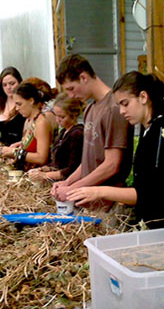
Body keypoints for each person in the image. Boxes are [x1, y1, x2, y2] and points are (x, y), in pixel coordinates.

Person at [67, 71, 164, 228]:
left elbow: (151, 193)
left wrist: (99, 191)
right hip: (152, 221)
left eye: (125, 104)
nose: (122, 111)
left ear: (143, 97)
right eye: (119, 106)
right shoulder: (148, 129)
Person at [51, 54, 133, 211]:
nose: (70, 96)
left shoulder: (113, 108)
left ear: (84, 77)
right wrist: (67, 183)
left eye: (71, 89)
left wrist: (73, 189)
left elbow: (112, 164)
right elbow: (88, 161)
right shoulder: (91, 108)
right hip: (90, 204)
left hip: (109, 204)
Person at [0, 77, 58, 170]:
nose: (17, 108)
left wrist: (15, 152)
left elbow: (42, 158)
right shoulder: (28, 120)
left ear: (31, 101)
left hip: (38, 176)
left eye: (19, 104)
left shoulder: (41, 122)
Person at [28, 93, 84, 181]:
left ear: (73, 115)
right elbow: (58, 163)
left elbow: (73, 169)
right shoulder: (63, 132)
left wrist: (45, 175)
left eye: (62, 117)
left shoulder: (78, 134)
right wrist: (45, 169)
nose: (57, 120)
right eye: (56, 116)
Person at [0, 67, 26, 150]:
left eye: (12, 83)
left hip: (17, 152)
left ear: (20, 83)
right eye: (5, 85)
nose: (8, 87)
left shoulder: (25, 106)